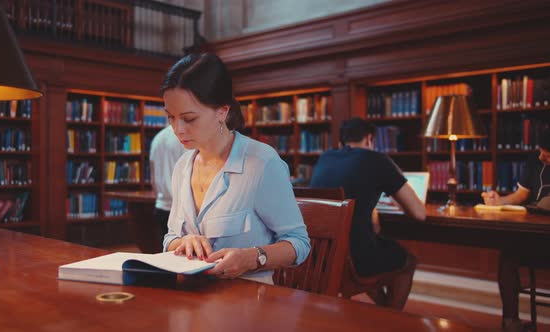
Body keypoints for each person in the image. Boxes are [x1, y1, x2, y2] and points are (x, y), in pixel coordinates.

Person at [161, 53, 310, 285]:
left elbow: (299, 243)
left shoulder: (262, 163)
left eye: (189, 119)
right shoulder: (182, 166)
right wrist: (184, 242)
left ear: (222, 111)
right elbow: (170, 238)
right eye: (170, 117)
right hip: (189, 296)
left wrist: (252, 258)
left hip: (246, 302)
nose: (177, 129)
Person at [309, 117, 426, 309]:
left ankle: (383, 312)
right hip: (354, 260)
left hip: (320, 257)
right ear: (370, 139)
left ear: (341, 142)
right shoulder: (377, 159)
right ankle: (391, 317)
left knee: (374, 247)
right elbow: (419, 213)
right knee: (408, 261)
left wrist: (372, 212)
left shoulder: (325, 158)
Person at [481, 126, 550, 331]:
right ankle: (511, 322)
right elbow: (521, 195)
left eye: (547, 153)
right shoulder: (535, 160)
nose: (541, 157)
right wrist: (499, 201)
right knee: (508, 255)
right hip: (535, 235)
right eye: (540, 151)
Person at [149, 124, 185, 246]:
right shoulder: (184, 138)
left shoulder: (158, 138)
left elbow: (152, 176)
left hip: (161, 205)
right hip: (180, 210)